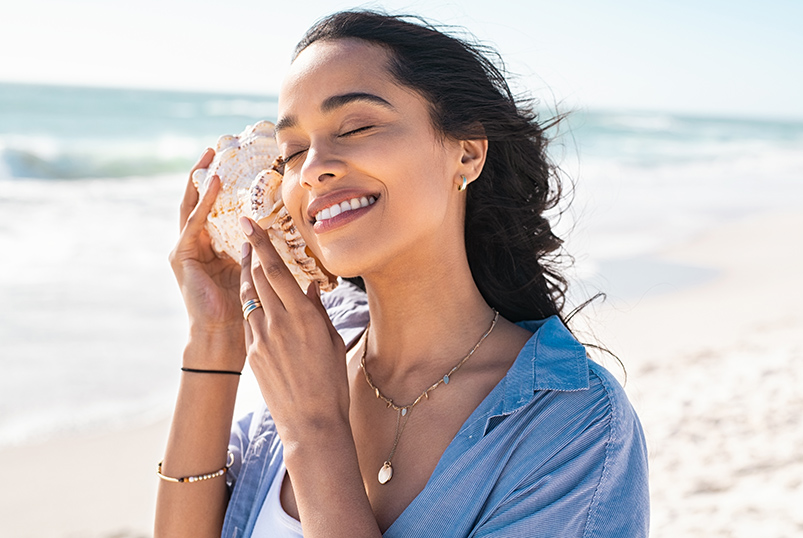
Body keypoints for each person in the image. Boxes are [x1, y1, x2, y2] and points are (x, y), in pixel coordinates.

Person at [155, 10, 649, 538]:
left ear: (466, 152)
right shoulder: (318, 347)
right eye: (292, 151)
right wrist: (215, 337)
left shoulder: (572, 428)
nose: (315, 165)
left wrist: (315, 431)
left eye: (357, 126)